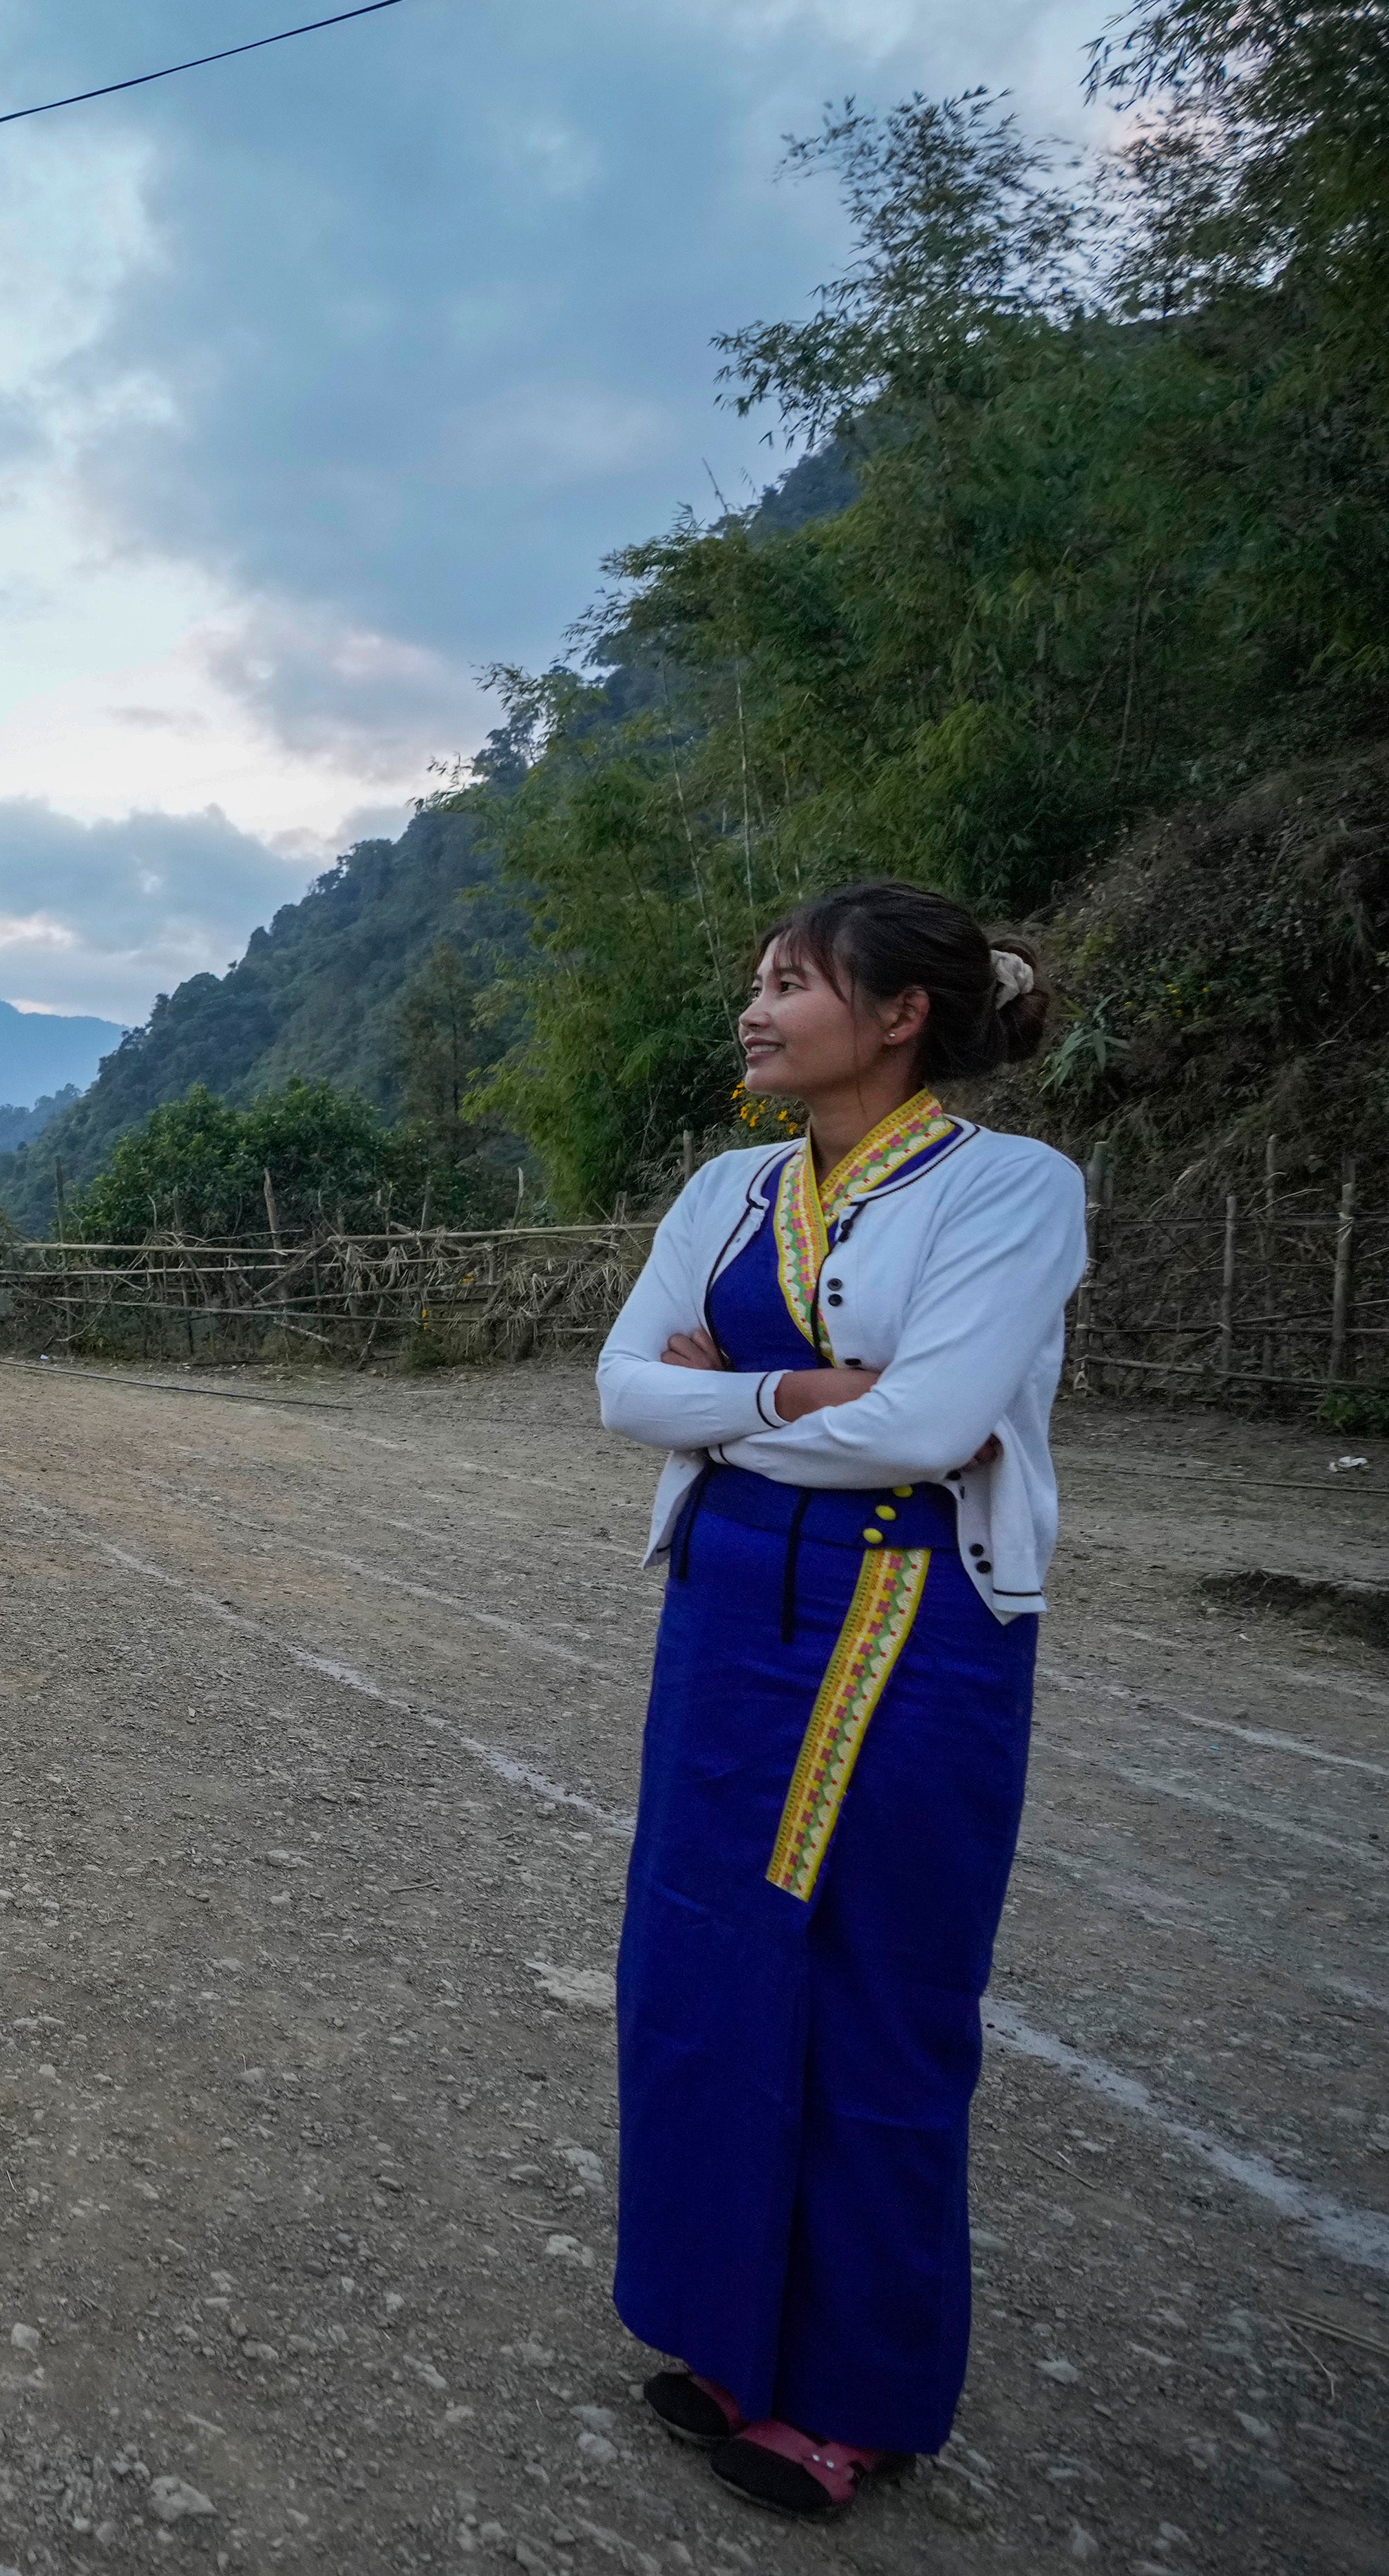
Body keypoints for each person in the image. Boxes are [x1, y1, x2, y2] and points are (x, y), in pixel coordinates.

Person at [594, 880, 1083, 2519]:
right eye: (755, 980)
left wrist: (711, 1405)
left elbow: (931, 1428)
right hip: (728, 1606)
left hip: (911, 1625)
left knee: (877, 1987)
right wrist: (794, 1389)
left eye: (790, 982)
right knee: (703, 1959)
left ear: (899, 1015)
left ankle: (853, 2389)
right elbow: (618, 1386)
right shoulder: (731, 1188)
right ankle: (724, 2328)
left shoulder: (1012, 1192)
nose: (754, 1008)